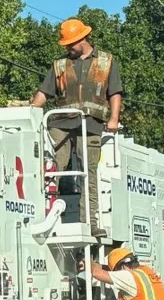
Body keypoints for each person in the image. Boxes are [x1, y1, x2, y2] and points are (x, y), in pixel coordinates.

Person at [29, 18, 122, 238]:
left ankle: (89, 221)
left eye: (70, 43)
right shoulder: (59, 65)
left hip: (90, 124)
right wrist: (30, 110)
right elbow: (44, 94)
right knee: (51, 169)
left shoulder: (106, 62)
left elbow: (114, 93)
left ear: (82, 39)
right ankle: (47, 216)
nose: (68, 48)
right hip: (60, 123)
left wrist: (114, 119)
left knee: (88, 171)